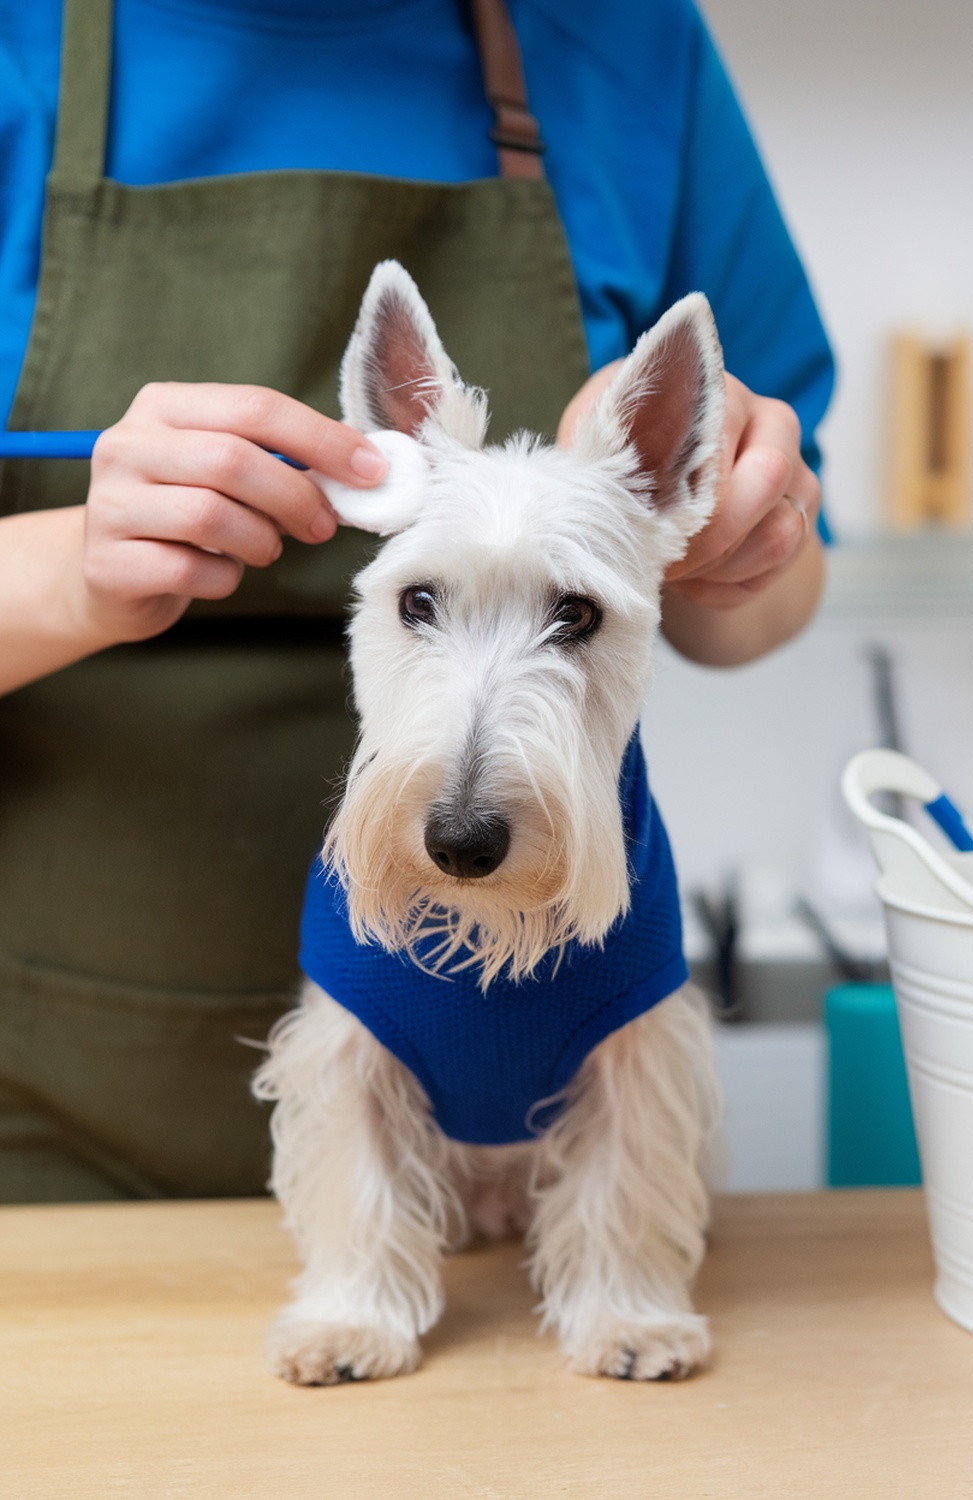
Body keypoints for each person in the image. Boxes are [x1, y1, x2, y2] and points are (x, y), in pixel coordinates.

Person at [0, 0, 833, 1201]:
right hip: (52, 1112)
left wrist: (723, 534)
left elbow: (768, 602)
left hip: (533, 1117)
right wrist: (75, 566)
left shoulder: (624, 41)